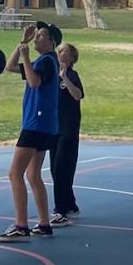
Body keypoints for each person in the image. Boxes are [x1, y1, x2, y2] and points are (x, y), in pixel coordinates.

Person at [0, 21, 60, 241]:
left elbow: (34, 82)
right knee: (33, 174)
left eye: (41, 35)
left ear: (52, 41)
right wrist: (22, 42)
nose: (37, 38)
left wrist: (26, 56)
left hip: (36, 123)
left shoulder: (47, 62)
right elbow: (10, 66)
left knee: (15, 173)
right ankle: (44, 223)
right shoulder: (44, 61)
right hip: (44, 125)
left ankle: (21, 225)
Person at [49, 41, 84, 225]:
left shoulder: (72, 74)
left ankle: (60, 210)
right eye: (59, 49)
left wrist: (65, 78)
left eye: (64, 51)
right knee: (55, 169)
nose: (59, 52)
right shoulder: (51, 74)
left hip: (68, 128)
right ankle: (70, 204)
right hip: (53, 127)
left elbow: (78, 95)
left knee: (62, 167)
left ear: (71, 58)